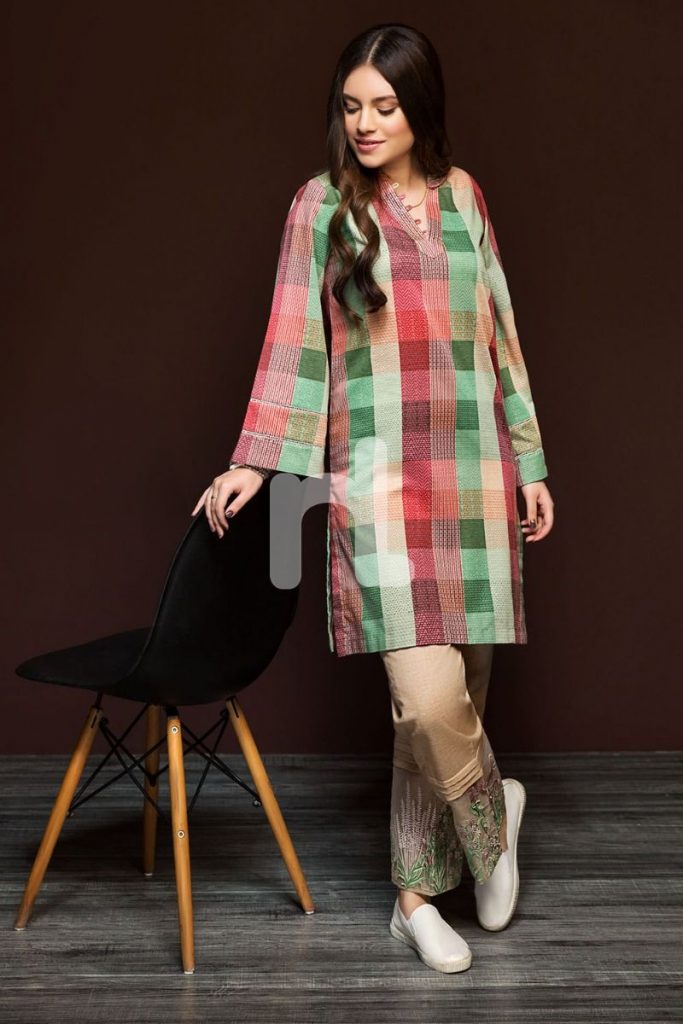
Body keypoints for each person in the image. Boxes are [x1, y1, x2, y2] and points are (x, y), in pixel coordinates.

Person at [192, 22, 555, 974]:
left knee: (446, 700)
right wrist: (255, 462)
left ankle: (413, 903)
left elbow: (500, 332)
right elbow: (293, 339)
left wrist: (528, 458)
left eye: (384, 107)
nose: (364, 124)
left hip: (472, 474)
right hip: (376, 484)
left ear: (418, 108)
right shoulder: (320, 207)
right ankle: (493, 822)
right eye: (351, 106)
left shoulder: (464, 195)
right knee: (425, 700)